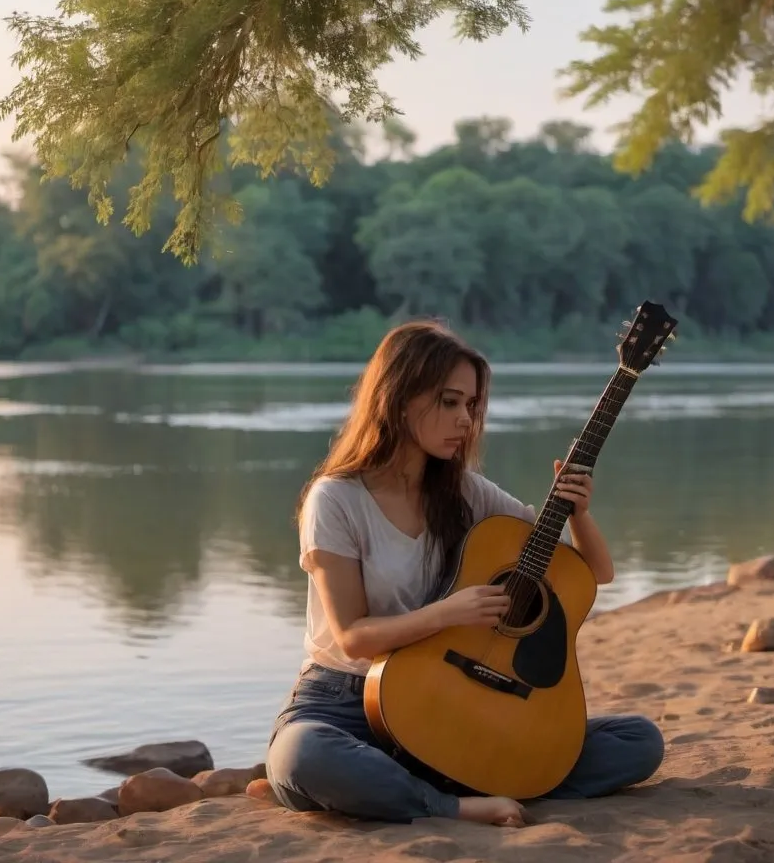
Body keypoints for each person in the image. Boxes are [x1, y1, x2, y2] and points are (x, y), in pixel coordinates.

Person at [265, 320, 664, 827]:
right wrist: (450, 611)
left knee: (638, 742)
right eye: (449, 402)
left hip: (448, 699)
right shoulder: (336, 499)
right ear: (400, 396)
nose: (465, 420)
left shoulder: (468, 493)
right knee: (305, 756)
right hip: (346, 702)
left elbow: (594, 573)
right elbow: (353, 637)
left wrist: (579, 512)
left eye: (472, 406)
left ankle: (411, 786)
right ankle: (451, 802)